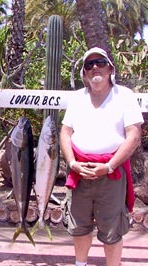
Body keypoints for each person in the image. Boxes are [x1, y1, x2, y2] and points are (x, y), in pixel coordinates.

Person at [60, 47, 143, 266]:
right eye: (89, 64)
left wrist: (109, 166)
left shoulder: (125, 96)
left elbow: (134, 135)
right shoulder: (77, 98)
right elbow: (65, 133)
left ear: (110, 68)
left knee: (112, 230)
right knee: (79, 227)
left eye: (100, 62)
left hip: (111, 174)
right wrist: (72, 163)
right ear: (84, 74)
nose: (95, 67)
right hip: (79, 174)